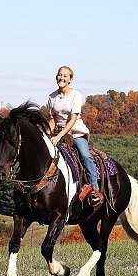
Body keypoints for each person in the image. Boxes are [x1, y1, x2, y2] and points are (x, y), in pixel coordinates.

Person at [46, 65, 103, 207]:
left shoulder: (76, 96)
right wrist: (48, 134)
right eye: (60, 75)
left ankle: (94, 189)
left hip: (75, 133)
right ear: (56, 77)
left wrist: (59, 136)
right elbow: (52, 119)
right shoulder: (51, 97)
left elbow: (72, 120)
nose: (62, 78)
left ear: (70, 79)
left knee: (85, 155)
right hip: (57, 133)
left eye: (65, 76)